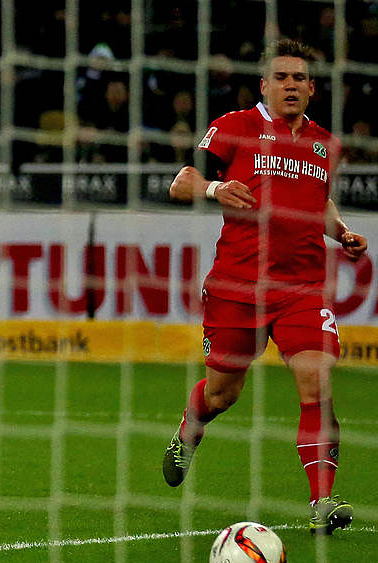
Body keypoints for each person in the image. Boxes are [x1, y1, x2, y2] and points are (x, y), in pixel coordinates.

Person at [163, 39, 368, 535]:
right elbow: (180, 182)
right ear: (265, 85)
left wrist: (340, 233)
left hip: (301, 290)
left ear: (312, 87)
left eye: (299, 78)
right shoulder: (234, 128)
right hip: (237, 286)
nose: (291, 85)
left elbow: (319, 201)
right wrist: (214, 189)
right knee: (222, 393)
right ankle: (192, 423)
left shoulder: (324, 144)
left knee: (315, 379)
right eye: (281, 78)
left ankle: (323, 502)